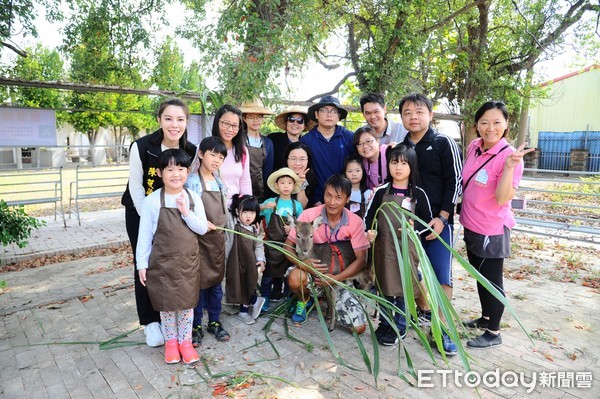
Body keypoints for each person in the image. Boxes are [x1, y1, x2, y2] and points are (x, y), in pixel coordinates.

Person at [121, 98, 197, 347]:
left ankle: (173, 315)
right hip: (141, 212)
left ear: (186, 122)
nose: (174, 125)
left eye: (180, 119)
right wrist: (152, 223)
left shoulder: (191, 149)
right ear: (159, 120)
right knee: (145, 262)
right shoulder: (141, 147)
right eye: (168, 118)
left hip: (176, 215)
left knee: (173, 263)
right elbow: (136, 188)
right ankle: (150, 322)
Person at [460, 101, 534, 349]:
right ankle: (486, 317)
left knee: (492, 280)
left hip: (491, 229)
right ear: (476, 125)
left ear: (505, 125)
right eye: (484, 122)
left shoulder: (510, 157)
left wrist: (510, 168)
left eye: (496, 122)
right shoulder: (474, 147)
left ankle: (493, 332)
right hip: (471, 225)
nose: (490, 128)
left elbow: (503, 198)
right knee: (480, 277)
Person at [400, 93, 463, 356]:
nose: (413, 116)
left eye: (418, 111)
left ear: (430, 114)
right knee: (407, 275)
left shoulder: (442, 142)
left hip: (437, 224)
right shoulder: (400, 147)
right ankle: (403, 319)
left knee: (441, 277)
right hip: (407, 224)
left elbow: (455, 181)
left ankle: (443, 329)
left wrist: (443, 217)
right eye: (407, 112)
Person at [136, 149, 211, 364]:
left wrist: (186, 212)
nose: (175, 174)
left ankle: (185, 342)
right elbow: (144, 236)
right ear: (160, 173)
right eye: (169, 169)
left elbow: (202, 229)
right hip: (161, 264)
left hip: (187, 263)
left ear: (188, 171)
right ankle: (171, 343)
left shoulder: (193, 197)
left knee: (187, 305)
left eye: (180, 169)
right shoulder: (151, 201)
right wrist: (142, 264)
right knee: (167, 305)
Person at [364, 144, 433, 346]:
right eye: (394, 162)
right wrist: (370, 231)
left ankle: (400, 326)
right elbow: (369, 217)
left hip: (406, 252)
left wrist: (414, 229)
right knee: (385, 288)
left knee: (404, 289)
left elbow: (426, 223)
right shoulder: (380, 191)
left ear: (412, 166)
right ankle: (385, 324)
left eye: (404, 163)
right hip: (384, 249)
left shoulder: (418, 193)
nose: (398, 167)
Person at [284, 174, 370, 333]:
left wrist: (335, 278)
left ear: (347, 199)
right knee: (296, 278)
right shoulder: (309, 215)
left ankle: (331, 302)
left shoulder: (355, 222)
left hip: (339, 277)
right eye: (328, 195)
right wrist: (302, 264)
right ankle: (305, 299)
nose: (331, 202)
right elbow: (287, 246)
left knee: (359, 328)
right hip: (312, 273)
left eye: (338, 197)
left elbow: (362, 260)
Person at [186, 136, 228, 347]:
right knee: (199, 285)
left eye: (221, 157)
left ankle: (214, 321)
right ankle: (195, 325)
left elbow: (224, 209)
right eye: (213, 154)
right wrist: (202, 224)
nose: (216, 160)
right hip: (199, 240)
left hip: (217, 241)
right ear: (201, 154)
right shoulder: (192, 181)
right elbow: (188, 212)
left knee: (215, 285)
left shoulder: (219, 181)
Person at [260, 168, 304, 311]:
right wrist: (264, 206)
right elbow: (254, 211)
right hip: (271, 246)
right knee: (267, 276)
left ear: (293, 186)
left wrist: (293, 230)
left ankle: (289, 300)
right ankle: (264, 298)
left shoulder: (296, 205)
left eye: (289, 183)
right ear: (276, 185)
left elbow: (303, 227)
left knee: (287, 275)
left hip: (288, 247)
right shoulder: (271, 201)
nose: (286, 186)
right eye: (282, 182)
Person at [301, 96, 354, 206]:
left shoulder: (349, 137)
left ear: (339, 116)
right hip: (316, 201)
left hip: (345, 200)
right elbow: (305, 172)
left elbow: (357, 168)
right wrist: (315, 200)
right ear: (316, 114)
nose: (329, 114)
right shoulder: (306, 140)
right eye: (324, 110)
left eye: (334, 111)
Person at [225, 194, 267, 325]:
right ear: (238, 212)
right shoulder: (234, 226)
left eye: (252, 212)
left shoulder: (255, 230)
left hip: (250, 263)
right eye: (245, 212)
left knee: (249, 284)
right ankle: (252, 303)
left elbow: (259, 245)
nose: (248, 216)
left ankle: (248, 307)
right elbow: (226, 214)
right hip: (236, 262)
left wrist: (261, 259)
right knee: (238, 284)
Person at [212, 104, 252, 207]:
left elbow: (245, 182)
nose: (230, 130)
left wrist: (248, 208)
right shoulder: (204, 148)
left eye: (235, 126)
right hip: (211, 209)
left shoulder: (242, 151)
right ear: (217, 122)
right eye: (226, 123)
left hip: (235, 210)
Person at [240, 99, 275, 201]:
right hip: (241, 190)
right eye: (251, 117)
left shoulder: (268, 142)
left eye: (259, 117)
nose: (255, 120)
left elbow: (268, 171)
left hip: (261, 192)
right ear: (244, 118)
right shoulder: (238, 139)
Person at [284, 141, 318, 209]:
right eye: (293, 159)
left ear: (308, 160)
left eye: (302, 159)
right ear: (287, 159)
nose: (298, 163)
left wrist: (301, 185)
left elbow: (302, 207)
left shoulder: (311, 177)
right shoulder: (278, 175)